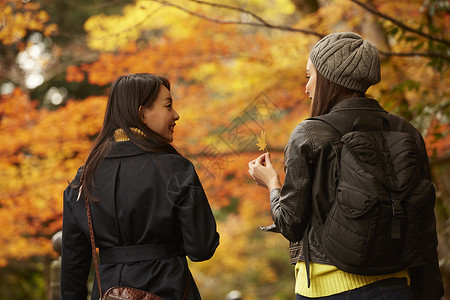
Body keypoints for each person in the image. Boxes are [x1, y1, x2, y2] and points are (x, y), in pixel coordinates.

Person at [248, 32, 443, 299]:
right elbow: (424, 224)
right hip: (398, 286)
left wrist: (271, 183)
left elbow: (290, 224)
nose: (306, 88)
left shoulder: (310, 133)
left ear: (329, 79)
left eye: (309, 76)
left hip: (329, 290)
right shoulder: (406, 131)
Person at [61, 73, 220, 300]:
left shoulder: (83, 180)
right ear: (142, 113)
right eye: (168, 106)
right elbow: (202, 248)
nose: (176, 115)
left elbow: (72, 271)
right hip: (170, 289)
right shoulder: (176, 169)